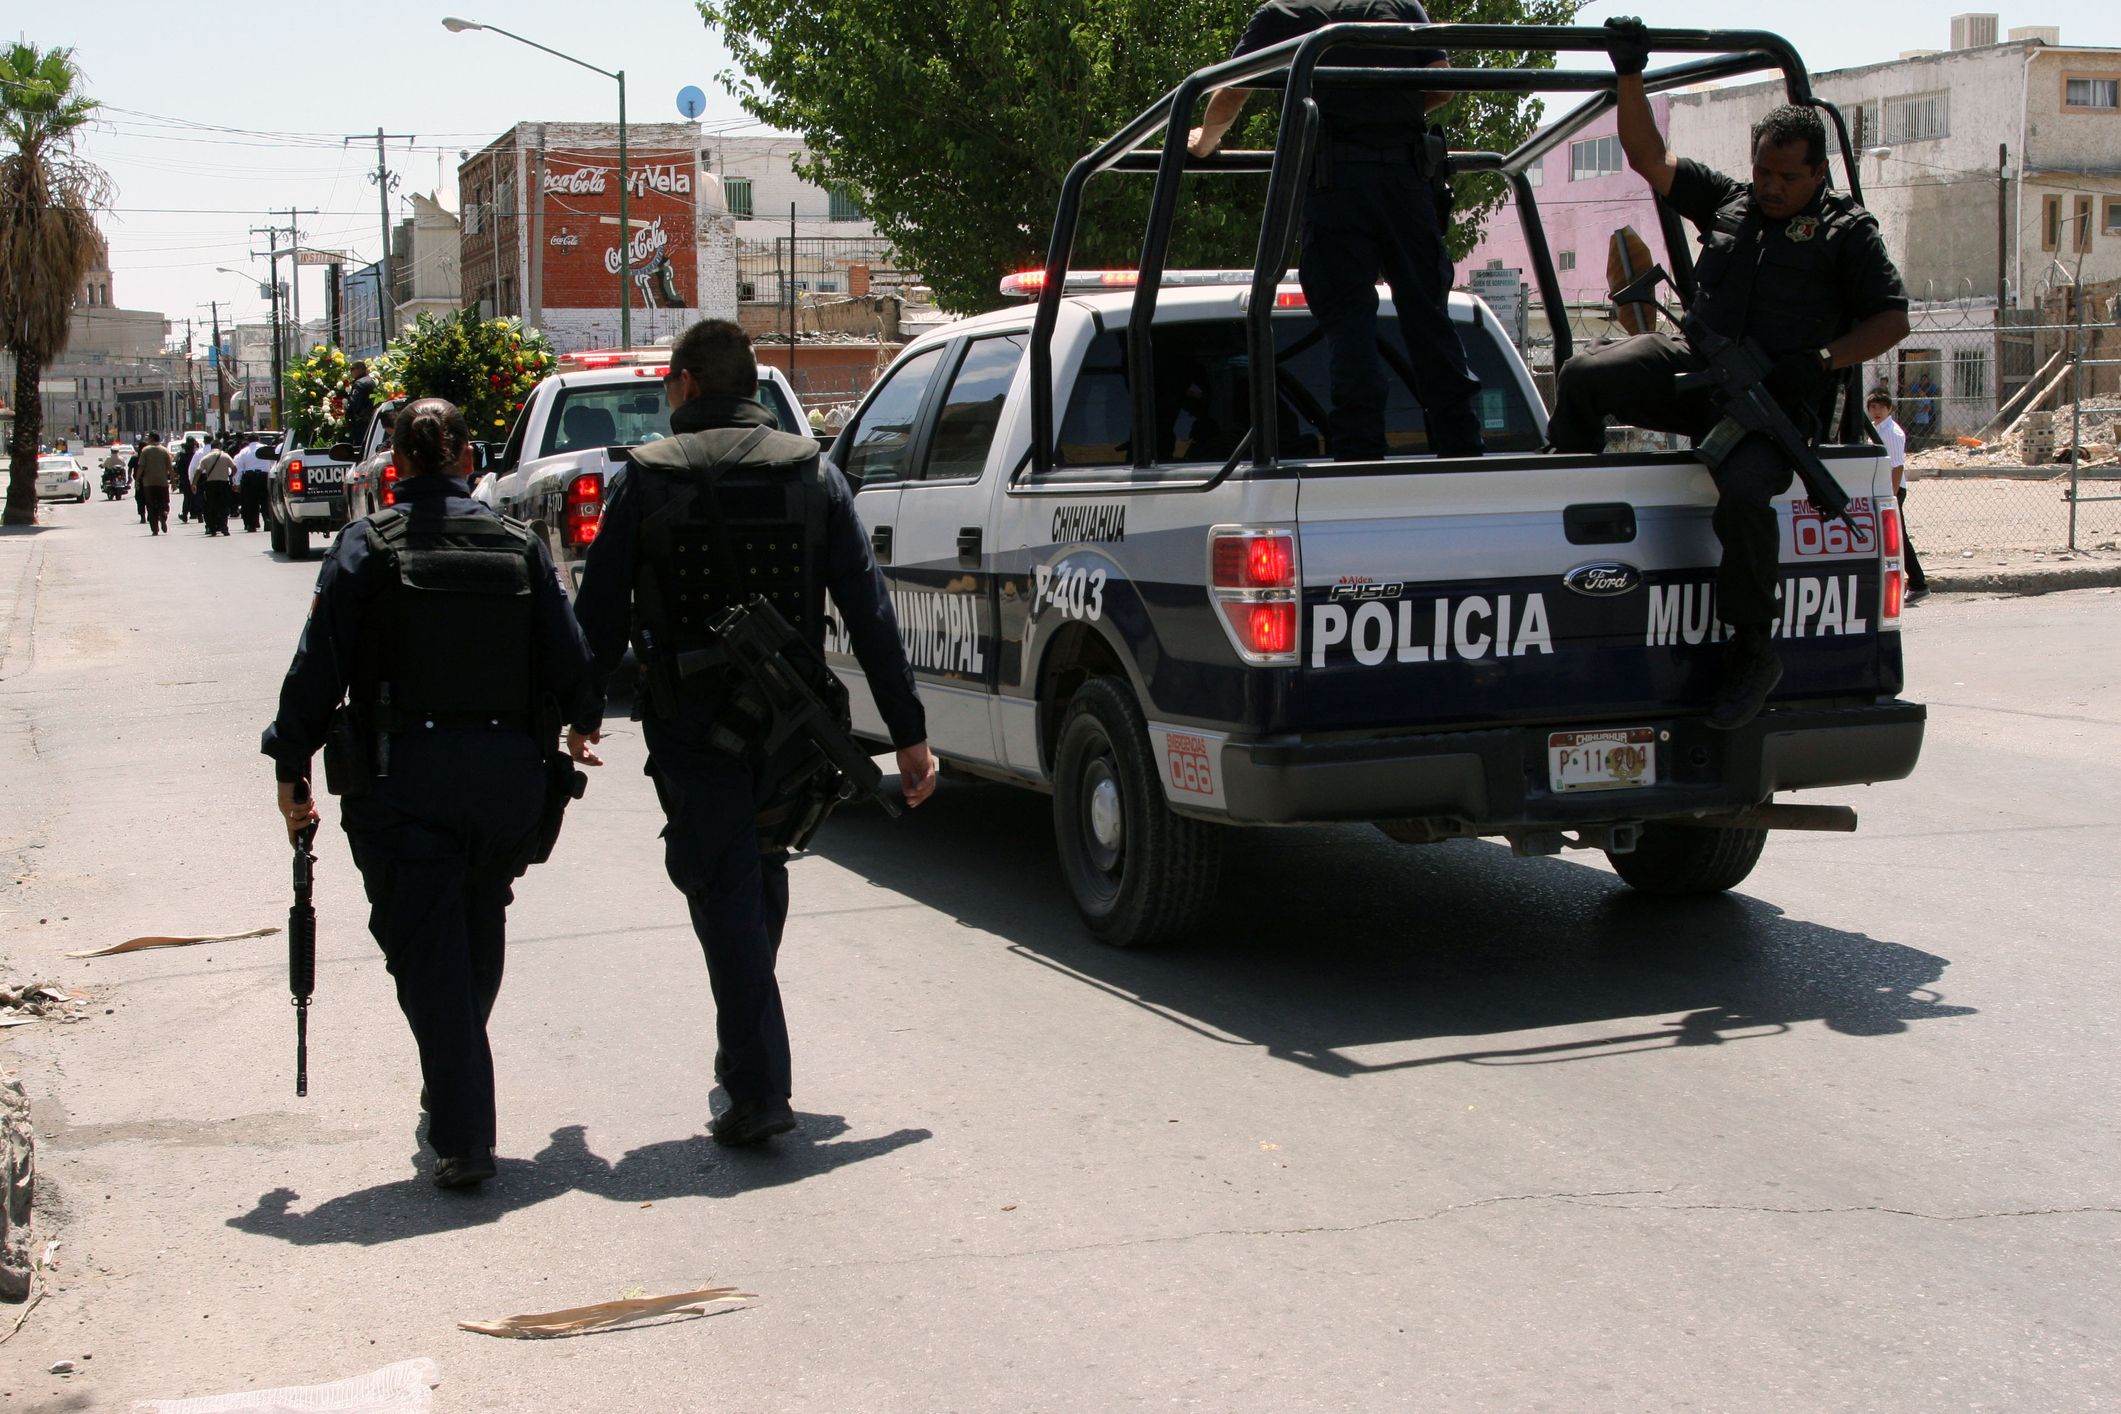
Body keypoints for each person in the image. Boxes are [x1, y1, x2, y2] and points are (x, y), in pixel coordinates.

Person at [571, 318, 938, 1147]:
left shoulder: (648, 476)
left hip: (693, 725)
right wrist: (908, 733)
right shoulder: (812, 471)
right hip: (788, 725)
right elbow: (869, 611)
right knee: (754, 872)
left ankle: (758, 1088)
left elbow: (599, 614)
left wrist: (582, 710)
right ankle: (747, 1057)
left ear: (687, 384)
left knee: (727, 885)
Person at [263, 399, 602, 1190]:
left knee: (424, 951)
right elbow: (571, 658)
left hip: (403, 783)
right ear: (467, 460)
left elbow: (317, 668)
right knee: (476, 926)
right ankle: (455, 1077)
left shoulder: (365, 546)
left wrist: (290, 766)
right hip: (507, 786)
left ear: (397, 464)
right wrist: (582, 722)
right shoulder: (518, 544)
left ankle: (462, 1135)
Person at [1544, 17, 1910, 729]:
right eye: (1764, 172)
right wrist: (1629, 74)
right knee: (1585, 375)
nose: (1771, 187)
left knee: (1742, 493)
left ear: (1818, 172)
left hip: (1774, 400)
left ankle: (1752, 649)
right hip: (1698, 371)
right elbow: (1648, 156)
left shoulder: (1846, 233)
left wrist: (1821, 360)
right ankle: (1563, 518)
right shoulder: (1730, 202)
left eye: (1788, 177)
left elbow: (1892, 319)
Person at [1186, 0, 1485, 461]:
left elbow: (1231, 91)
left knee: (1349, 325)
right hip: (1406, 181)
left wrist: (1204, 142)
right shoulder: (1400, 4)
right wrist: (1384, 108)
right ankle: (1462, 446)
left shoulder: (1283, 12)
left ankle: (1360, 453)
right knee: (1429, 316)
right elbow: (1442, 84)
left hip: (1335, 182)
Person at [1867, 390, 1929, 604]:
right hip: (1882, 488)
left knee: (1898, 538)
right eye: (1872, 407)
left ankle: (1918, 584)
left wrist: (1891, 496)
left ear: (1889, 409)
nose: (1876, 411)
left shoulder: (1892, 432)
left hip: (1892, 490)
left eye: (1880, 407)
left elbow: (1897, 466)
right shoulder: (1876, 428)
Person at [191, 436, 237, 536]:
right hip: (224, 484)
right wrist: (231, 478)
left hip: (211, 485)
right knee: (223, 507)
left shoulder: (206, 458)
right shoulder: (225, 456)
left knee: (211, 506)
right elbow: (234, 468)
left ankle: (212, 529)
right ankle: (224, 527)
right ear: (219, 446)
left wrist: (194, 483)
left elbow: (198, 470)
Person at [134, 434, 173, 535]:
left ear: (151, 438)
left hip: (149, 483)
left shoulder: (145, 450)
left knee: (151, 506)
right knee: (164, 503)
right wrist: (173, 480)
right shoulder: (164, 450)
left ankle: (155, 529)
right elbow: (170, 467)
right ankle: (163, 514)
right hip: (162, 482)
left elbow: (141, 466)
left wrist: (137, 479)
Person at [233, 434, 273, 532]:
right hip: (264, 476)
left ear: (248, 441)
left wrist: (237, 482)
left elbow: (238, 467)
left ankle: (251, 524)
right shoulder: (266, 449)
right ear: (259, 439)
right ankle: (268, 520)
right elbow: (273, 463)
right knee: (266, 500)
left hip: (249, 477)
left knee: (250, 501)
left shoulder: (244, 452)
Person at [346, 361, 379, 452]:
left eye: (352, 369)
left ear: (360, 369)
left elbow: (354, 404)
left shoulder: (359, 384)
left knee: (358, 448)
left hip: (360, 422)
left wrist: (348, 415)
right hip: (370, 420)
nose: (351, 372)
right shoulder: (371, 381)